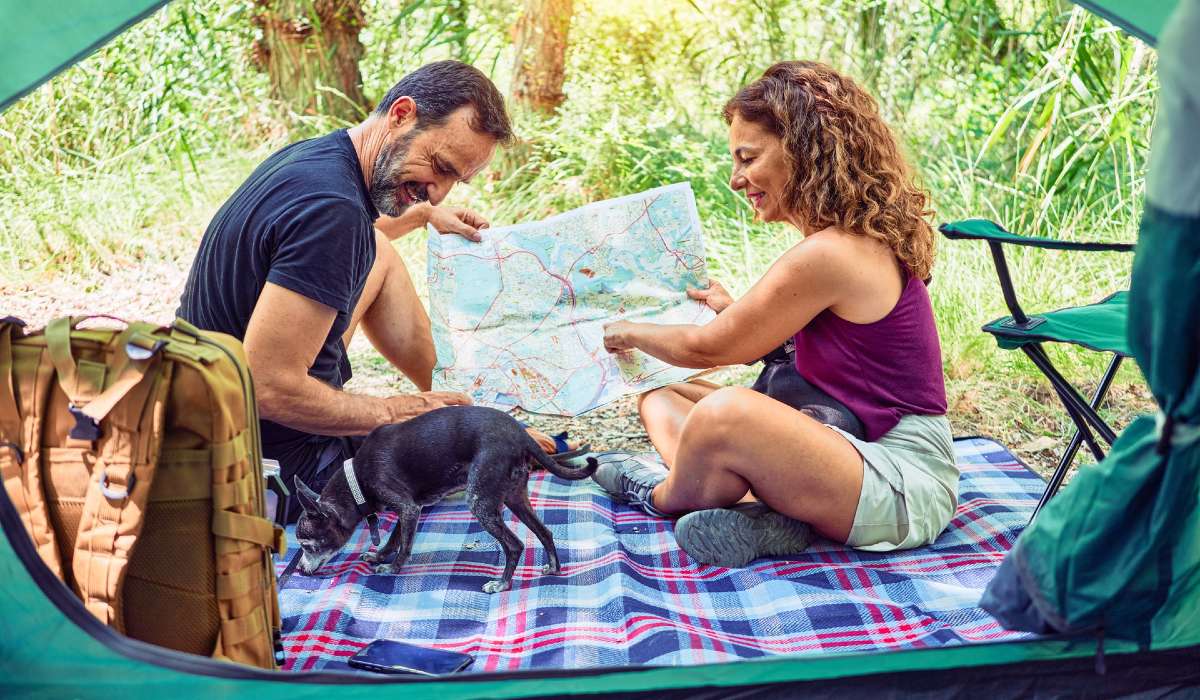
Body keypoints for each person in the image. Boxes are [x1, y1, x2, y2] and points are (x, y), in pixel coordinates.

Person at [595, 61, 957, 567]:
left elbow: (710, 348)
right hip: (840, 438)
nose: (736, 179)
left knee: (725, 414)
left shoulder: (833, 251)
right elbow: (811, 351)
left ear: (806, 149)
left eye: (747, 158)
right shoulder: (838, 243)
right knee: (662, 392)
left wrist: (628, 331)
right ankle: (766, 515)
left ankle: (657, 495)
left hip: (899, 480)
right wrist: (736, 310)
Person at [177, 60, 571, 515]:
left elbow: (341, 234)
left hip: (199, 421)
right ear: (402, 114)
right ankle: (461, 418)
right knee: (430, 450)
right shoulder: (334, 213)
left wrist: (422, 214)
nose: (439, 192)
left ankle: (465, 407)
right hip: (266, 470)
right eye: (439, 167)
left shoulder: (317, 160)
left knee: (379, 253)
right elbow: (265, 386)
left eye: (454, 181)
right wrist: (399, 412)